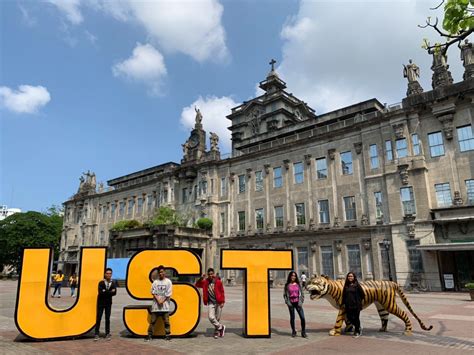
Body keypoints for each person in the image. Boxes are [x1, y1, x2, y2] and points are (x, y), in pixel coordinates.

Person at [195, 268, 226, 339]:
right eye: (209, 274)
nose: (210, 275)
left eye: (211, 274)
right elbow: (197, 284)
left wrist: (222, 302)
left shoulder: (218, 282)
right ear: (207, 275)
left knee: (217, 318)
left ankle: (217, 332)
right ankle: (221, 327)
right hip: (210, 302)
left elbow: (222, 292)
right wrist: (201, 278)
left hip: (218, 302)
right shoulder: (205, 282)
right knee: (211, 317)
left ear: (213, 274)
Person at [145, 265, 172, 342]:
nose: (161, 273)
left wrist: (162, 301)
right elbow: (153, 292)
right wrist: (158, 301)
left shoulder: (168, 282)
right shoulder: (155, 282)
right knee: (152, 321)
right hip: (156, 307)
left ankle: (167, 335)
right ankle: (150, 335)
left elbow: (168, 294)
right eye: (159, 272)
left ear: (165, 272)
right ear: (158, 273)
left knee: (166, 322)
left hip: (165, 307)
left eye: (162, 272)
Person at [94, 268, 117, 341]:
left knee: (107, 318)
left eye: (110, 273)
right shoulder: (101, 283)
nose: (109, 275)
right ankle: (96, 333)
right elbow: (101, 293)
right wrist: (110, 292)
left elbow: (114, 293)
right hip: (100, 303)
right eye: (107, 273)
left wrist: (105, 291)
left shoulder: (113, 283)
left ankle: (107, 333)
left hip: (108, 303)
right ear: (105, 274)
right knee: (98, 318)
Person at [284, 271, 307, 338]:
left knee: (302, 317)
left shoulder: (298, 284)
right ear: (290, 276)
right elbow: (285, 295)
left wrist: (301, 301)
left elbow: (302, 294)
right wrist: (288, 302)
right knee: (292, 318)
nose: (293, 277)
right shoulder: (287, 285)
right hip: (291, 302)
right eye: (292, 275)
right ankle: (293, 331)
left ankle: (303, 332)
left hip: (298, 303)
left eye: (294, 276)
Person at [342, 272, 365, 338]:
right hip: (348, 305)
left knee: (356, 318)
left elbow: (362, 294)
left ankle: (357, 331)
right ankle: (359, 326)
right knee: (349, 317)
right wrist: (343, 303)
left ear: (354, 277)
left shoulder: (357, 285)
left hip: (356, 305)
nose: (350, 277)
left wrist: (360, 303)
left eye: (351, 276)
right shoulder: (346, 285)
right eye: (349, 276)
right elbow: (343, 295)